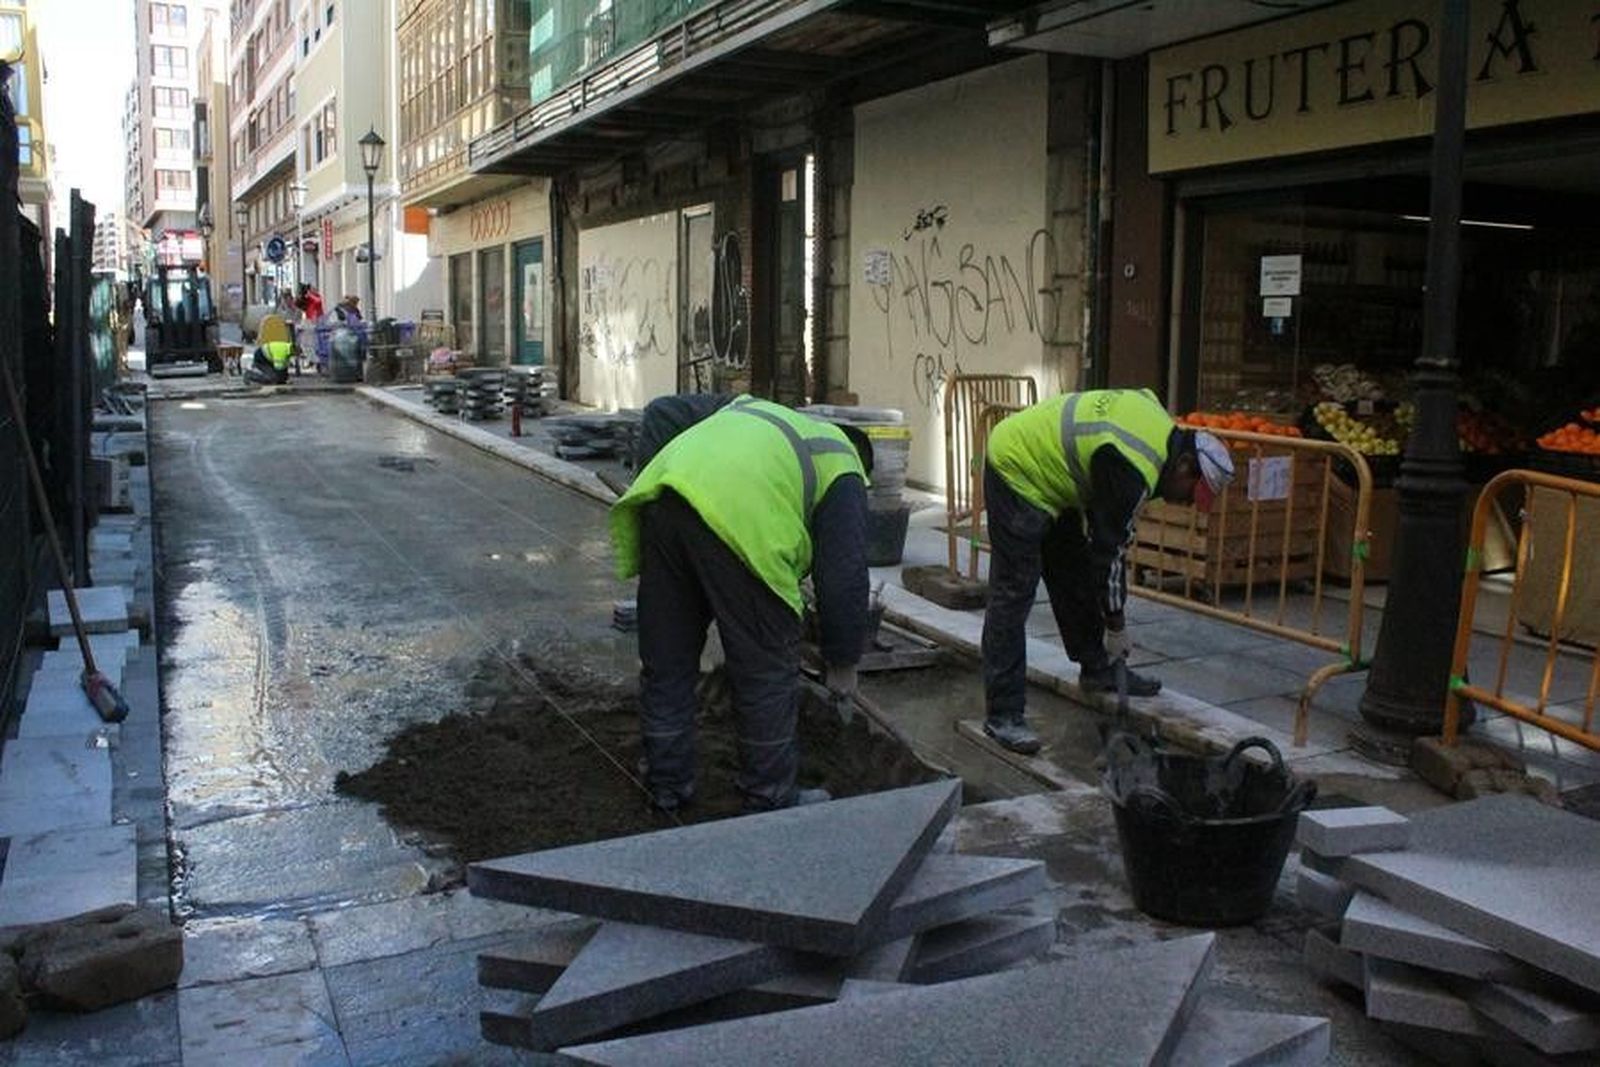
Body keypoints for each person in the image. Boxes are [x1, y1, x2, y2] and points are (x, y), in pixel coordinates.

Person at [610, 396, 874, 813]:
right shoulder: (845, 466)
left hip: (665, 496)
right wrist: (842, 663)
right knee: (765, 669)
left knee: (668, 660)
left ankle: (667, 784)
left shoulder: (759, 415)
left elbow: (664, 410)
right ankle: (768, 794)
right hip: (742, 519)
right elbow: (844, 577)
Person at [979, 388, 1235, 754]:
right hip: (1016, 466)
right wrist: (1116, 625)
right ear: (1182, 466)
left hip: (1055, 474)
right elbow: (1109, 554)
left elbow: (1099, 558)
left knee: (1073, 576)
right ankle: (1003, 714)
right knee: (1013, 593)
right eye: (1191, 492)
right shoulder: (1132, 465)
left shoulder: (1156, 423)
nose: (1186, 502)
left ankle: (1097, 669)